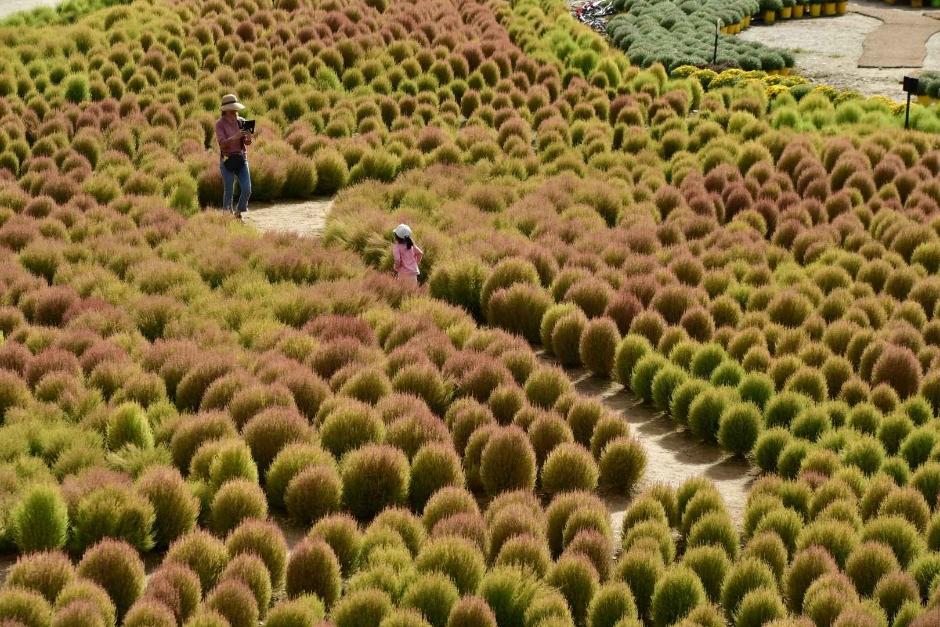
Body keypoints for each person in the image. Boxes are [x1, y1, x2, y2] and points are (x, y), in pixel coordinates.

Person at [215, 94, 253, 219]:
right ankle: (227, 215)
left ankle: (239, 211)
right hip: (227, 161)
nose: (234, 112)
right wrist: (234, 137)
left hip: (241, 159)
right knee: (229, 191)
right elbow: (222, 144)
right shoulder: (219, 124)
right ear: (225, 111)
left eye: (235, 110)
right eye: (232, 111)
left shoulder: (242, 121)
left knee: (247, 189)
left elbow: (247, 143)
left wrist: (249, 138)